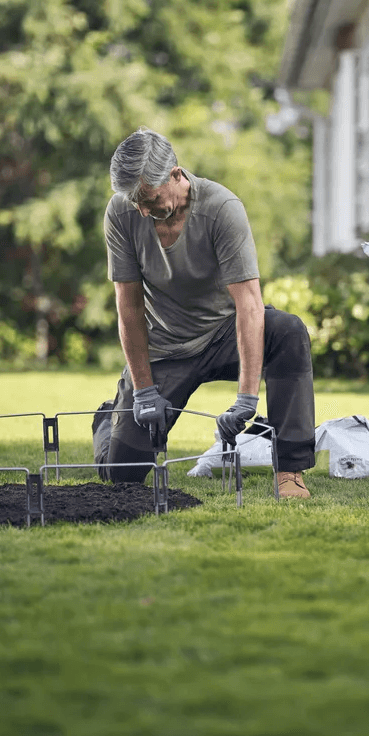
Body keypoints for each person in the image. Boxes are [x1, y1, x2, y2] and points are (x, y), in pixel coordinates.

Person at [91, 127, 315, 499]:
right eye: (135, 203)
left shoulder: (221, 209)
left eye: (149, 198)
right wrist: (144, 391)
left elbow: (249, 304)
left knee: (288, 332)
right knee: (121, 476)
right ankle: (108, 419)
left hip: (224, 334)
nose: (142, 211)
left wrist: (246, 399)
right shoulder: (121, 213)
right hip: (165, 347)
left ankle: (290, 473)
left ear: (175, 174)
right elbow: (129, 306)